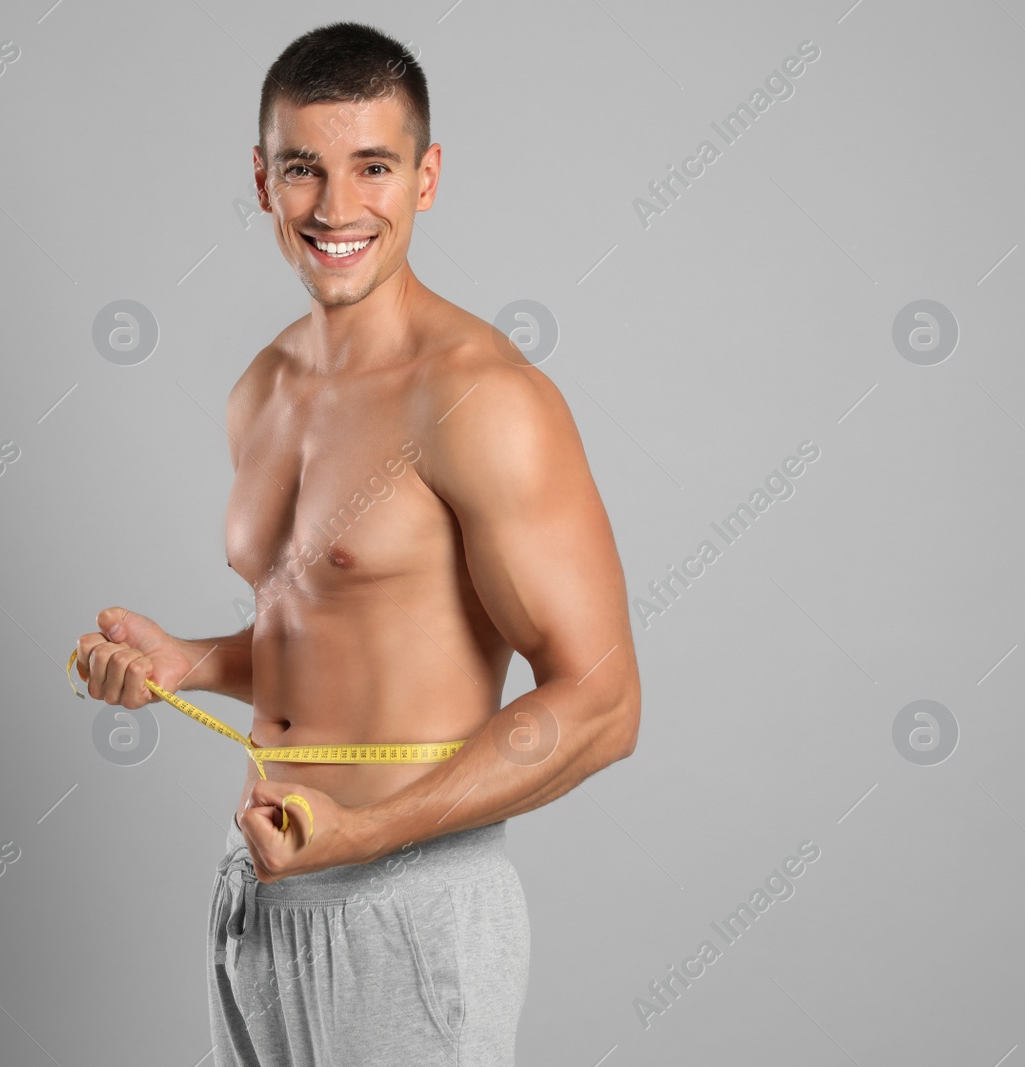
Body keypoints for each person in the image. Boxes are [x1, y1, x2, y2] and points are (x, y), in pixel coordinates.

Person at [73, 20, 640, 1066]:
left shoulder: (482, 397)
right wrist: (185, 663)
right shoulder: (263, 389)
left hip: (407, 904)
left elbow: (602, 704)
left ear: (425, 178)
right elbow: (338, 634)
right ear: (260, 181)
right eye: (303, 171)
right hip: (258, 897)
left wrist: (368, 834)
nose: (335, 210)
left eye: (371, 167)